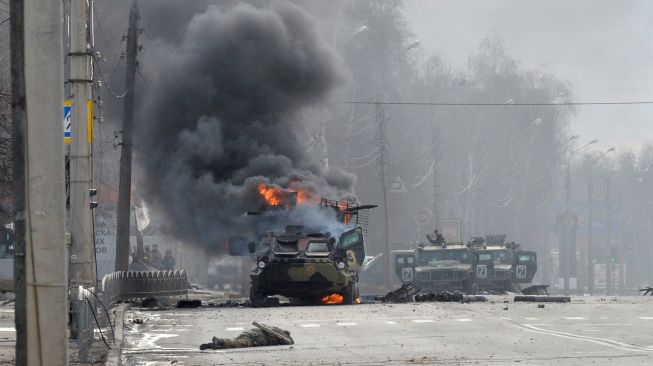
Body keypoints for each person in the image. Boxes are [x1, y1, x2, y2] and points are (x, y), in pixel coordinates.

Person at [199, 324, 293, 350]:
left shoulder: (271, 328)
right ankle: (219, 340)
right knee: (237, 343)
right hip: (255, 338)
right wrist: (285, 338)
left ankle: (214, 345)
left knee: (234, 343)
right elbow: (290, 341)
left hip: (249, 334)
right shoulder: (280, 334)